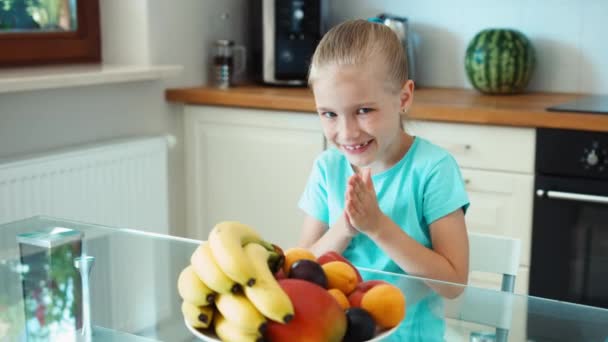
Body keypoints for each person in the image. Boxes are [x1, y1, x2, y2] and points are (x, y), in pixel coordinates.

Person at [297, 18, 470, 341]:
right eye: (329, 114)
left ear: (403, 98)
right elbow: (301, 269)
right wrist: (345, 227)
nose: (346, 132)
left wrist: (377, 226)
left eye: (363, 110)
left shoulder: (433, 169)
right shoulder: (327, 169)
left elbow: (454, 283)